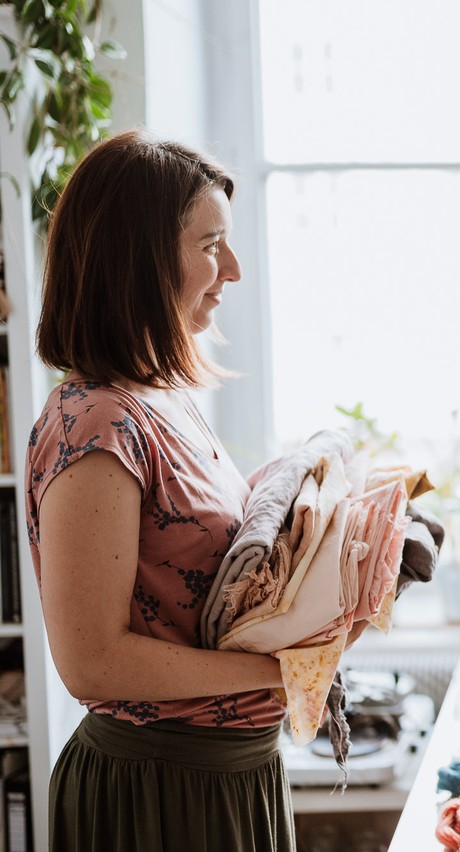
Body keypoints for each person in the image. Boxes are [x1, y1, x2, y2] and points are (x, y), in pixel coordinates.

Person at [26, 130, 295, 851]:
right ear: (136, 262)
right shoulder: (98, 423)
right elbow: (93, 662)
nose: (232, 269)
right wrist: (279, 670)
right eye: (211, 245)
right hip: (160, 792)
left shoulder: (161, 398)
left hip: (228, 776)